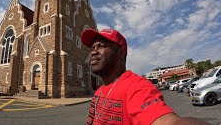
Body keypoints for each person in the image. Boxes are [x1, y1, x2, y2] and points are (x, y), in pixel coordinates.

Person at [81, 28, 210, 125]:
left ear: (121, 53)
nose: (93, 52)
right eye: (92, 47)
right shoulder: (99, 91)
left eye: (101, 46)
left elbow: (168, 122)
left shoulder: (136, 86)